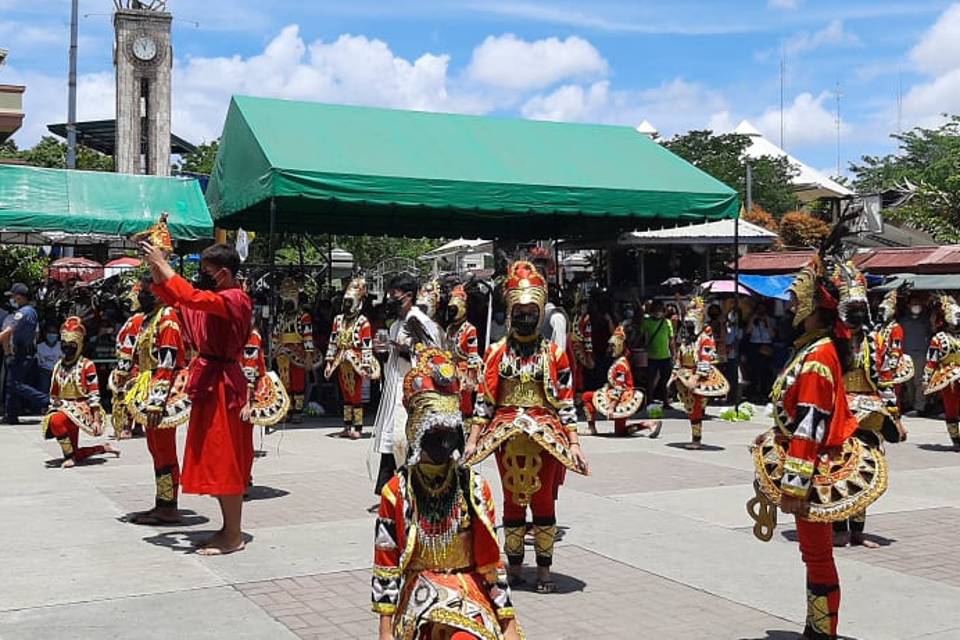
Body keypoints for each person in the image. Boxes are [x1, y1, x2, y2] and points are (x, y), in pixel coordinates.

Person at [747, 252, 887, 640]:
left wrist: (793, 486)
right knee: (815, 555)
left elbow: (810, 423)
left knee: (818, 556)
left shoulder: (818, 356)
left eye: (797, 298)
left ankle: (823, 632)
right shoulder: (816, 347)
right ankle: (817, 627)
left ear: (815, 305)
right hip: (808, 459)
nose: (791, 305)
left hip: (812, 469)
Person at [372, 347, 523, 640]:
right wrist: (385, 630)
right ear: (416, 429)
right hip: (421, 594)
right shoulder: (396, 492)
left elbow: (491, 563)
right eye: (434, 429)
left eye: (449, 430)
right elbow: (385, 565)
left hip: (471, 593)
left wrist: (508, 622)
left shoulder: (475, 488)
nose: (443, 440)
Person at [465, 261, 589, 594]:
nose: (524, 316)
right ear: (509, 311)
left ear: (540, 311)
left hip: (545, 436)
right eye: (518, 311)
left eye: (530, 310)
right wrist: (473, 440)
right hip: (506, 434)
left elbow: (565, 402)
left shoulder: (554, 354)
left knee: (545, 502)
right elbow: (484, 402)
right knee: (511, 502)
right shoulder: (495, 353)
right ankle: (516, 566)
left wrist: (575, 443)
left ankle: (545, 570)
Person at [141, 240, 253, 556]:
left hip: (224, 385)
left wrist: (163, 263)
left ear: (225, 273)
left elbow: (188, 295)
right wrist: (155, 265)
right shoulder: (213, 299)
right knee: (214, 458)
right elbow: (177, 297)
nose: (202, 277)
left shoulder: (235, 298)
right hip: (209, 383)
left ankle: (233, 535)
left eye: (206, 271)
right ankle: (227, 528)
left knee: (224, 458)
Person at [830, 261, 904, 548]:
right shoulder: (832, 342)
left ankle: (859, 530)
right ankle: (839, 527)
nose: (857, 314)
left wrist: (895, 416)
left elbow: (884, 379)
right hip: (840, 413)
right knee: (838, 469)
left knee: (865, 469)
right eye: (852, 309)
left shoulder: (875, 341)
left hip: (871, 414)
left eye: (861, 309)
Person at [119, 274, 192, 526]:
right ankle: (162, 503)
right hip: (148, 386)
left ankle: (169, 506)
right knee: (155, 449)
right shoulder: (149, 319)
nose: (143, 294)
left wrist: (158, 398)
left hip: (162, 390)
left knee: (164, 449)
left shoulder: (167, 318)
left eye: (149, 290)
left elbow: (168, 361)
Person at [371, 273, 441, 496]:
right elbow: (389, 357)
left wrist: (406, 351)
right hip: (394, 387)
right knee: (392, 438)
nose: (390, 299)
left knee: (407, 438)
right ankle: (389, 490)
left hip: (414, 391)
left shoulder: (419, 322)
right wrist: (381, 352)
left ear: (409, 296)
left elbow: (434, 357)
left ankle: (410, 487)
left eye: (394, 295)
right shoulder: (396, 325)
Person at [41, 316, 119, 467]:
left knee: (56, 421)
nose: (67, 348)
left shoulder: (87, 365)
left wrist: (96, 419)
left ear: (79, 345)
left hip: (82, 408)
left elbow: (94, 393)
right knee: (55, 421)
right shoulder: (58, 365)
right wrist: (54, 404)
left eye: (71, 345)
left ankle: (69, 456)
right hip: (63, 407)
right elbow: (54, 392)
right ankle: (101, 448)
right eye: (64, 344)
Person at [324, 276, 380, 439]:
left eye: (350, 302)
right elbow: (333, 341)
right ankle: (347, 426)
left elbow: (367, 345)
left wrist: (366, 364)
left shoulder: (363, 322)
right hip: (341, 360)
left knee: (356, 396)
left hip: (356, 361)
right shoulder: (338, 320)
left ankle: (358, 427)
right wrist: (329, 362)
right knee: (346, 395)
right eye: (346, 302)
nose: (347, 305)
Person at [670, 297, 729, 449]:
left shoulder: (705, 339)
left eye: (691, 324)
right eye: (687, 324)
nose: (688, 327)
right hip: (685, 376)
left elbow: (705, 359)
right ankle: (695, 436)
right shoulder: (686, 340)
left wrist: (696, 378)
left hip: (698, 378)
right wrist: (673, 375)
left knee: (696, 408)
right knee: (691, 409)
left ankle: (697, 439)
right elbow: (679, 358)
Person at [583, 323, 660, 438]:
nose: (611, 349)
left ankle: (646, 424)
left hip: (622, 397)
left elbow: (619, 387)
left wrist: (611, 407)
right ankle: (591, 427)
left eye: (613, 346)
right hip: (617, 394)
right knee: (587, 396)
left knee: (620, 432)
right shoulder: (620, 360)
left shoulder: (621, 364)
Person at [0, 283, 48, 424]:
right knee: (11, 384)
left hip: (22, 354)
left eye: (13, 297)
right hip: (21, 354)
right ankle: (11, 415)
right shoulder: (28, 311)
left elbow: (9, 331)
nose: (11, 300)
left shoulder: (24, 312)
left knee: (16, 384)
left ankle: (46, 400)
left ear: (19, 297)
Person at [272, 278, 314, 423]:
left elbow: (308, 337)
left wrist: (309, 355)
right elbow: (276, 334)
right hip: (282, 352)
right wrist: (273, 350)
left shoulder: (304, 317)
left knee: (297, 381)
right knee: (284, 381)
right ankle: (287, 408)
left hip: (298, 351)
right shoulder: (281, 317)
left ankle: (298, 410)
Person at [923, 295, 960, 451]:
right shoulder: (939, 338)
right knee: (951, 409)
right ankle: (956, 439)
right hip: (948, 378)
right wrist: (926, 379)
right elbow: (931, 361)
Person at [444, 283, 482, 420]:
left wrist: (470, 379)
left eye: (454, 309)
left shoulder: (470, 329)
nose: (451, 312)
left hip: (465, 371)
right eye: (450, 310)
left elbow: (473, 355)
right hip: (450, 369)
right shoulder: (449, 329)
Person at [241, 323, 290, 429]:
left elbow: (250, 366)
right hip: (242, 382)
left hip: (248, 383)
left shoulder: (251, 336)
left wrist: (248, 399)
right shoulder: (247, 335)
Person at [875, 286, 915, 415]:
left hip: (893, 365)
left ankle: (895, 416)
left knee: (893, 393)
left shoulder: (896, 327)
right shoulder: (879, 327)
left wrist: (892, 362)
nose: (881, 313)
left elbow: (896, 346)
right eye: (880, 310)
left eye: (883, 310)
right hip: (879, 363)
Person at [901, 295, 933, 416]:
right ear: (909, 306)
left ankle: (920, 406)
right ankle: (910, 404)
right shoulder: (903, 321)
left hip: (920, 353)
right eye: (914, 304)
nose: (916, 306)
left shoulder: (925, 321)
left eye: (918, 304)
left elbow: (931, 332)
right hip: (906, 354)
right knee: (908, 381)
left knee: (919, 381)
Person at [640, 300, 674, 408]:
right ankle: (649, 401)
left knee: (665, 380)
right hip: (652, 356)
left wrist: (674, 353)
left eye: (660, 310)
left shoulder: (667, 322)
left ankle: (665, 402)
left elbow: (671, 340)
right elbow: (641, 336)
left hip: (666, 356)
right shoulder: (646, 322)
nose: (658, 312)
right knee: (650, 380)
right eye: (655, 310)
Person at [569, 290, 595, 410]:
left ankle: (579, 399)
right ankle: (575, 398)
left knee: (578, 373)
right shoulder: (577, 316)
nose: (583, 307)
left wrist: (588, 353)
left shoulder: (585, 318)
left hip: (579, 346)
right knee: (575, 372)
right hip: (574, 345)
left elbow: (588, 337)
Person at [746, 302, 776, 402]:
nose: (761, 312)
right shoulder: (753, 320)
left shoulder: (770, 320)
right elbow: (748, 331)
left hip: (766, 344)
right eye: (759, 309)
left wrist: (767, 321)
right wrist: (753, 319)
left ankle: (764, 392)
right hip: (754, 345)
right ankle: (753, 392)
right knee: (754, 370)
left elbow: (772, 335)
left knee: (765, 370)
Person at [36, 323, 63, 399]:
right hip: (44, 372)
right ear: (45, 333)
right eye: (50, 332)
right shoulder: (39, 347)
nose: (52, 335)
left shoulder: (62, 346)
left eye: (54, 333)